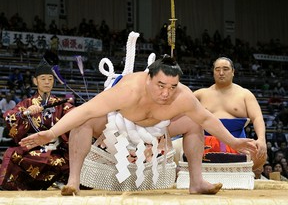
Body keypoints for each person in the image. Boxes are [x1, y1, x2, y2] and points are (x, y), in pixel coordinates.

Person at [19, 55, 256, 195]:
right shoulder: (128, 90)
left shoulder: (182, 96)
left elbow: (206, 119)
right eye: (161, 85)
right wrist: (50, 132)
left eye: (172, 87)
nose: (166, 93)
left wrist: (233, 141)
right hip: (118, 126)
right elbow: (85, 109)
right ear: (149, 78)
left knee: (194, 123)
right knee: (85, 121)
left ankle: (196, 183)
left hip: (158, 130)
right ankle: (73, 182)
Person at [0, 61, 74, 190]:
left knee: (73, 158)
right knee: (12, 155)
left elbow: (75, 115)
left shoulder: (61, 104)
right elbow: (9, 116)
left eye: (50, 79)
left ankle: (58, 180)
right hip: (33, 149)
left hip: (57, 149)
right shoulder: (27, 103)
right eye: (43, 79)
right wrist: (25, 113)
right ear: (35, 81)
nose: (47, 82)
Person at [193, 57, 267, 178]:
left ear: (233, 72)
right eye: (217, 69)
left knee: (260, 152)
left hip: (238, 141)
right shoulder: (200, 94)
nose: (221, 73)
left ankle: (248, 177)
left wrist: (262, 139)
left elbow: (257, 117)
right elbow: (182, 113)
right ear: (213, 72)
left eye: (225, 69)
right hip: (205, 141)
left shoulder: (245, 94)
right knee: (176, 147)